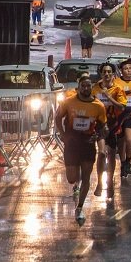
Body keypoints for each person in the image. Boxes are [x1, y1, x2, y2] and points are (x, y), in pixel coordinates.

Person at [55, 74, 107, 225]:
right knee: (72, 178)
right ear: (78, 88)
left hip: (87, 144)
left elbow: (104, 126)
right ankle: (75, 184)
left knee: (86, 177)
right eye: (83, 86)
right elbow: (58, 117)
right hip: (72, 144)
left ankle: (80, 207)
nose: (86, 88)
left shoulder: (98, 106)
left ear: (92, 87)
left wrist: (98, 135)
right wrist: (63, 135)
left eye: (88, 86)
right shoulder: (68, 102)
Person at [91, 62, 126, 199]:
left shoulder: (118, 89)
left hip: (113, 124)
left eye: (109, 72)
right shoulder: (95, 88)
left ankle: (110, 182)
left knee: (111, 155)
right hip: (99, 125)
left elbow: (122, 107)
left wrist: (109, 97)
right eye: (104, 72)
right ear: (101, 74)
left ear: (113, 74)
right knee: (101, 153)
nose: (106, 74)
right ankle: (100, 182)